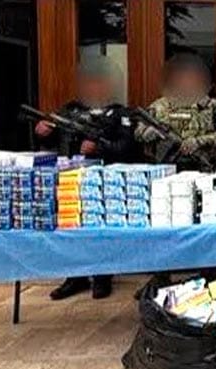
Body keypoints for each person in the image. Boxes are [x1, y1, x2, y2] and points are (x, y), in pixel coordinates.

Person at [34, 56, 137, 301]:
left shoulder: (120, 113)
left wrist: (99, 147)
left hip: (102, 181)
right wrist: (42, 132)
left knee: (100, 229)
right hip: (71, 178)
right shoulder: (71, 110)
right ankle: (75, 277)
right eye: (90, 82)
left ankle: (102, 277)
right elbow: (52, 135)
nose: (94, 87)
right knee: (71, 228)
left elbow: (127, 148)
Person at [136, 53, 216, 173]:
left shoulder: (213, 106)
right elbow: (138, 132)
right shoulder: (159, 106)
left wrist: (199, 141)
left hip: (200, 168)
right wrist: (147, 133)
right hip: (165, 169)